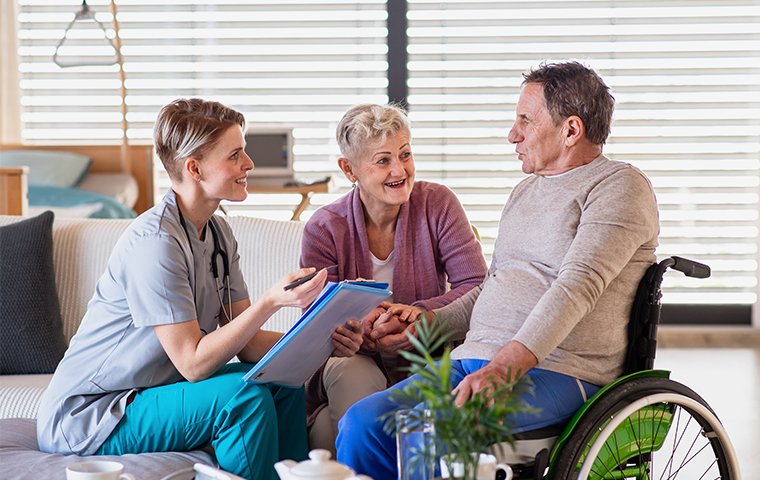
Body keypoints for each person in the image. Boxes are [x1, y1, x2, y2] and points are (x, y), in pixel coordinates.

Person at [336, 61, 660, 478]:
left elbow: (577, 286)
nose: (513, 134)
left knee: (430, 432)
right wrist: (428, 322)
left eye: (525, 120)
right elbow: (495, 285)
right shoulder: (526, 190)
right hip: (476, 360)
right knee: (362, 424)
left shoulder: (619, 186)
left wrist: (504, 368)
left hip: (560, 370)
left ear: (571, 130)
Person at [36, 98, 363, 480]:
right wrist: (272, 301)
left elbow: (248, 342)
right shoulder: (154, 242)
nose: (249, 165)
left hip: (146, 396)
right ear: (195, 168)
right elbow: (192, 364)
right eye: (235, 155)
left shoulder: (219, 232)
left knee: (279, 382)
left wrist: (324, 336)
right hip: (94, 413)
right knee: (244, 397)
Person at [300, 103, 488, 453]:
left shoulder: (438, 204)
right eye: (383, 160)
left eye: (405, 154)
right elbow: (315, 318)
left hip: (427, 356)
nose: (399, 170)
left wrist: (418, 317)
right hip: (356, 360)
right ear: (349, 168)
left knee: (328, 435)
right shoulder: (324, 228)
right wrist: (362, 328)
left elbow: (477, 285)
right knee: (353, 374)